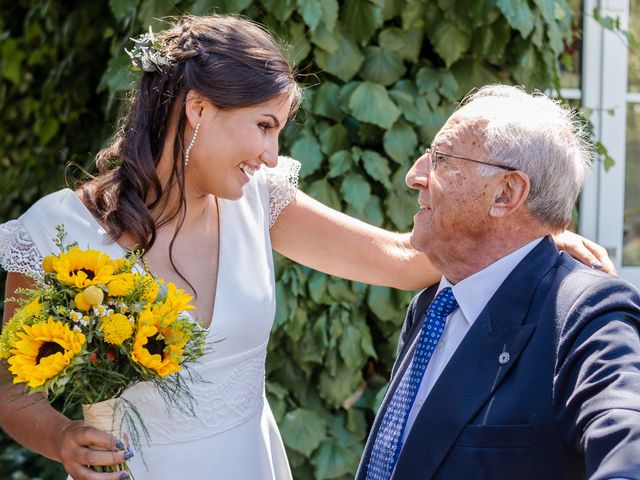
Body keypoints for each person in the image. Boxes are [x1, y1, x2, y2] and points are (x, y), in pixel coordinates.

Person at [0, 15, 613, 480]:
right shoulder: (58, 233)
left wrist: (528, 230)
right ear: (197, 109)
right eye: (263, 126)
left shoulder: (260, 201)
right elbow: (12, 392)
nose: (271, 155)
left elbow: (404, 262)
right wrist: (59, 438)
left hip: (250, 461)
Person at [356, 84, 640, 480]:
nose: (414, 175)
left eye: (439, 158)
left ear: (506, 193)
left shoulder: (586, 313)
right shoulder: (436, 303)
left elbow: (629, 442)